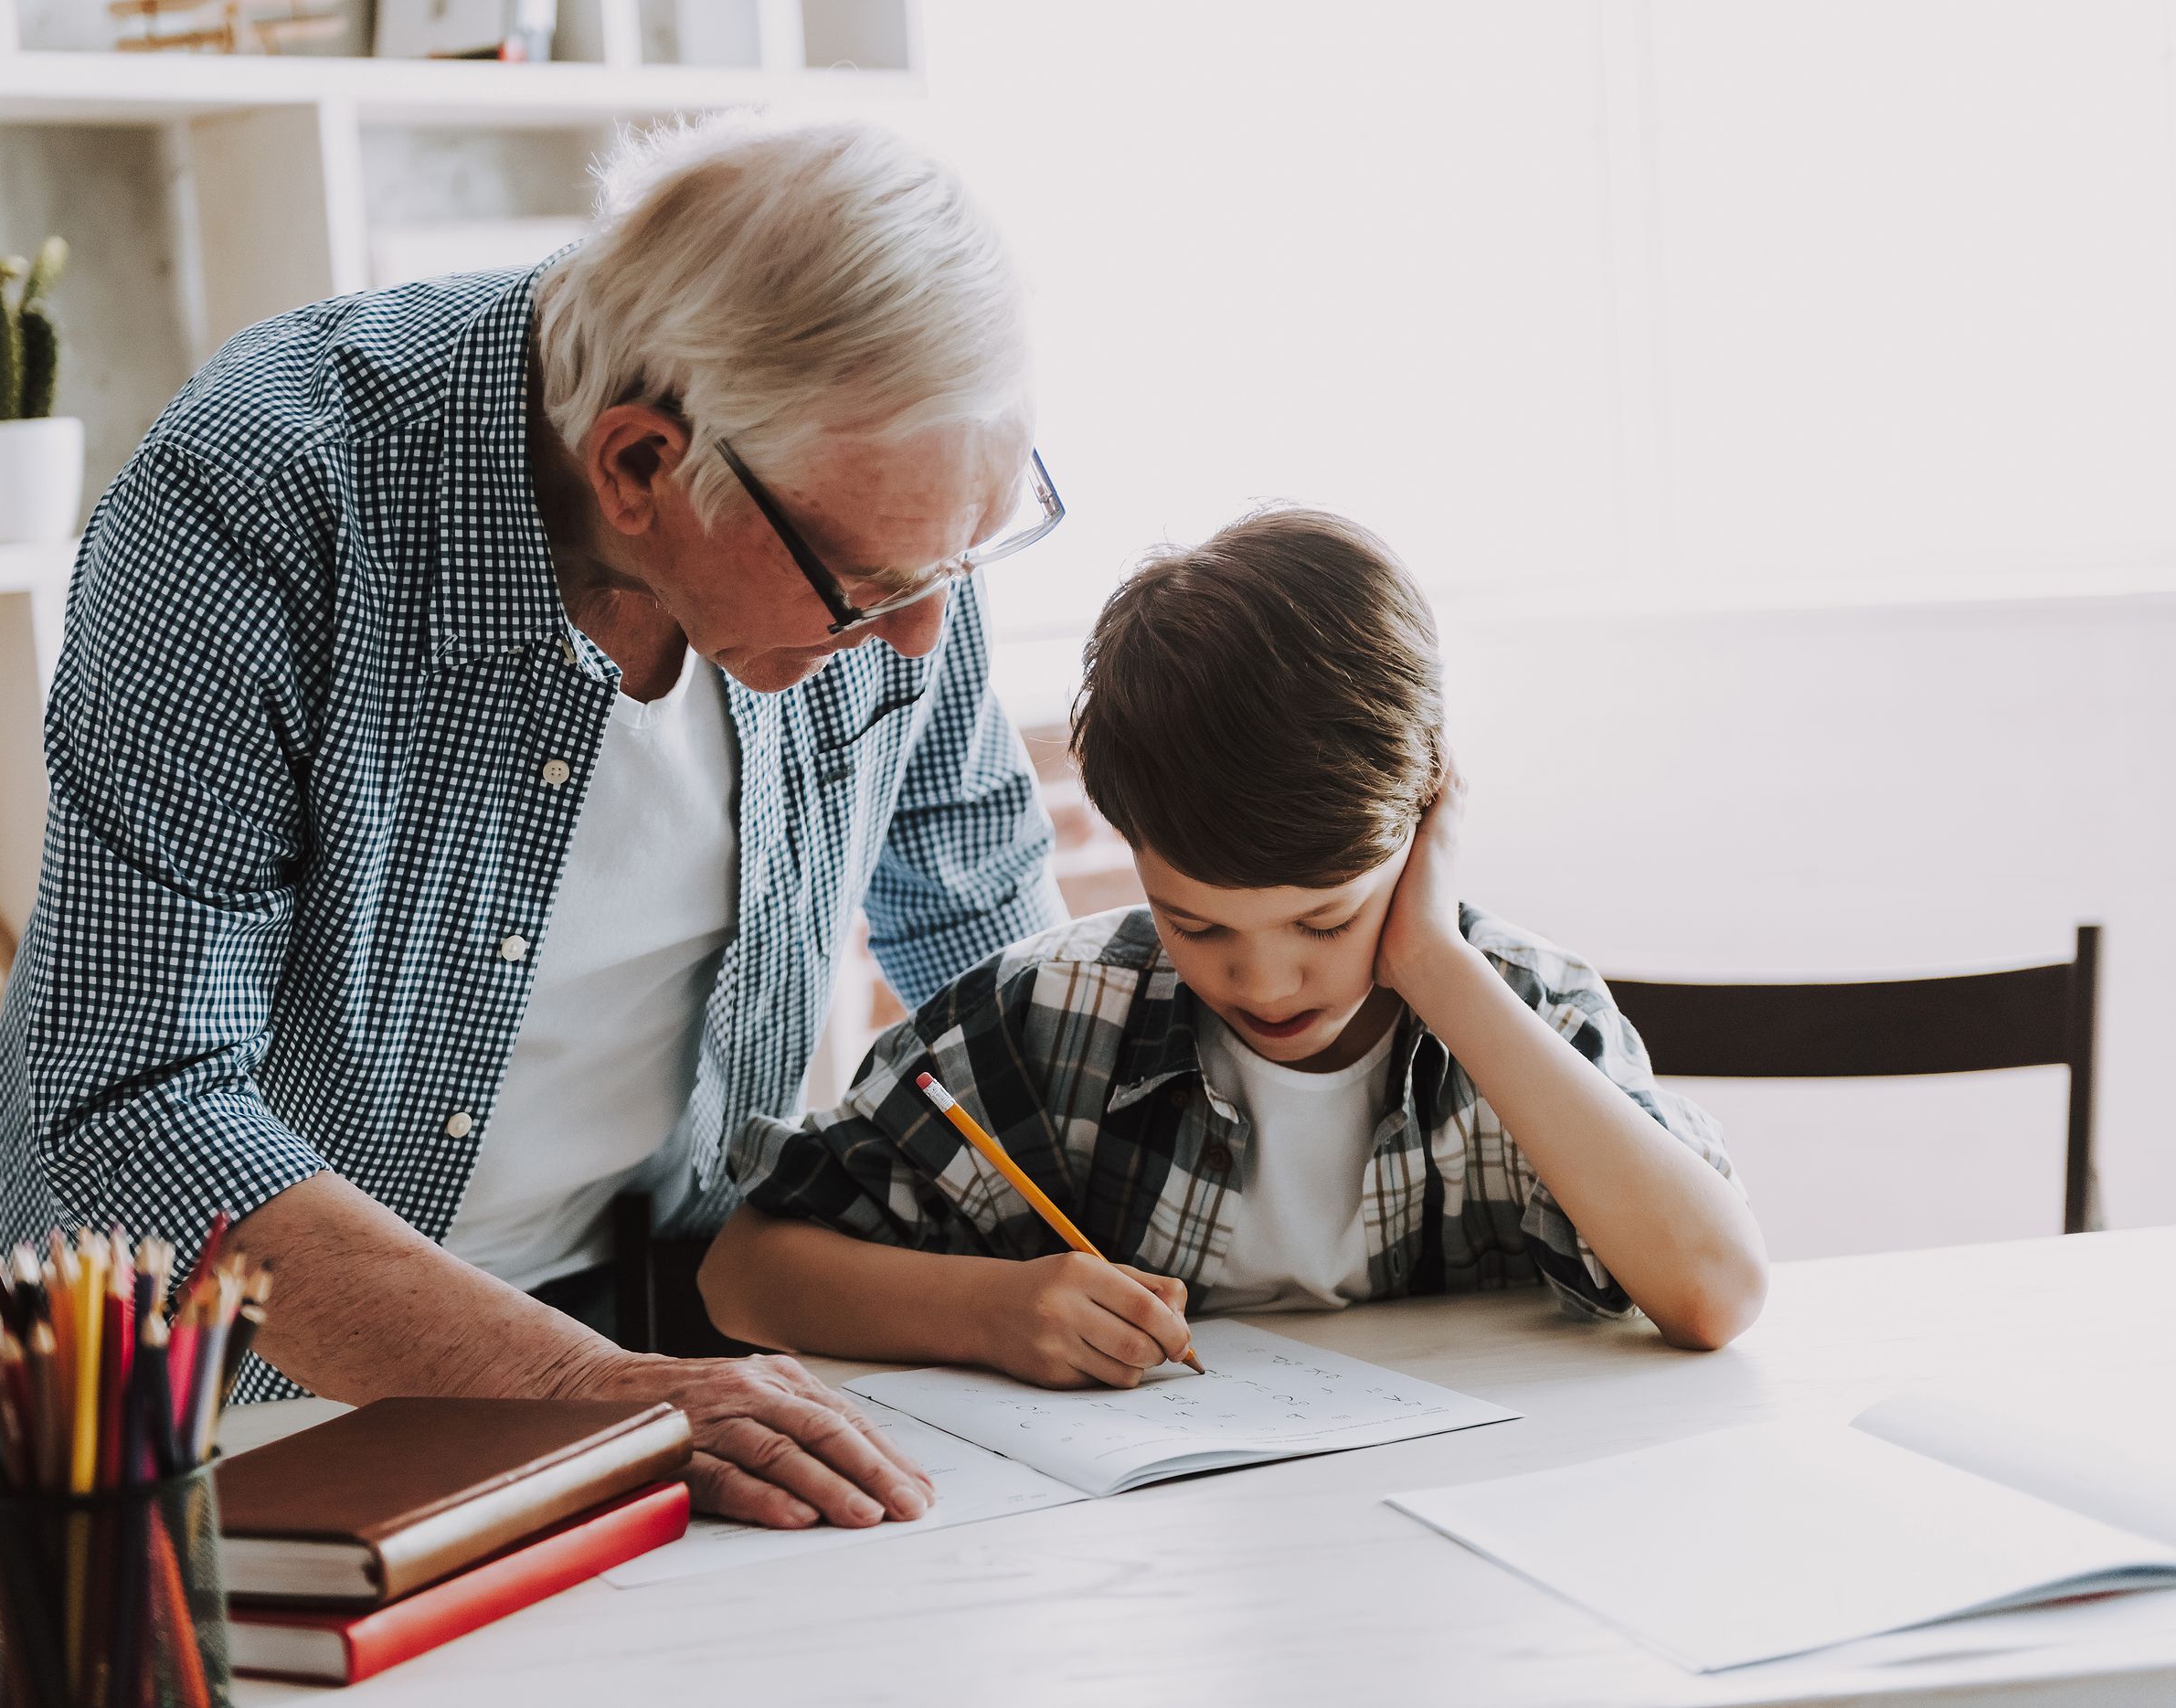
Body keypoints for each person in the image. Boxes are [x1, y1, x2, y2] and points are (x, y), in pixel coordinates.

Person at [0, 115, 1072, 1530]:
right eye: (869, 587)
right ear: (640, 468)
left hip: (656, 1319)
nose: (922, 638)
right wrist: (612, 1395)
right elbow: (132, 1111)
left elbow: (982, 917)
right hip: (232, 1381)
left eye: (959, 566)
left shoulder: (873, 503)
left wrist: (1101, 1227)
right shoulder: (263, 494)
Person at [702, 507, 1768, 1385]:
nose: (1260, 980)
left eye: (1325, 920)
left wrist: (1436, 964)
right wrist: (985, 1310)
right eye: (1196, 923)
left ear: (1425, 819)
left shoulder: (1527, 1010)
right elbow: (745, 1274)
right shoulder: (1058, 1014)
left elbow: (1713, 1291)